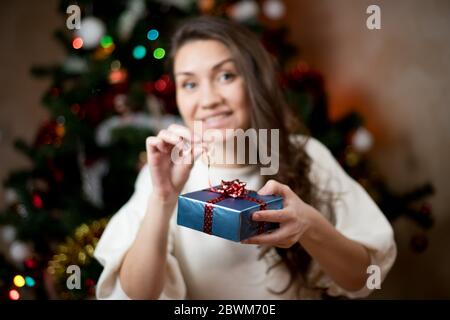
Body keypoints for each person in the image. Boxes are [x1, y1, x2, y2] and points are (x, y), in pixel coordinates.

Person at [94, 16, 396, 300]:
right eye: (189, 84)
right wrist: (163, 199)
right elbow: (139, 293)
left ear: (253, 80)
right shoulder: (163, 174)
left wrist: (310, 225)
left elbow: (362, 277)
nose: (209, 100)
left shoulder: (305, 154)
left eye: (225, 76)